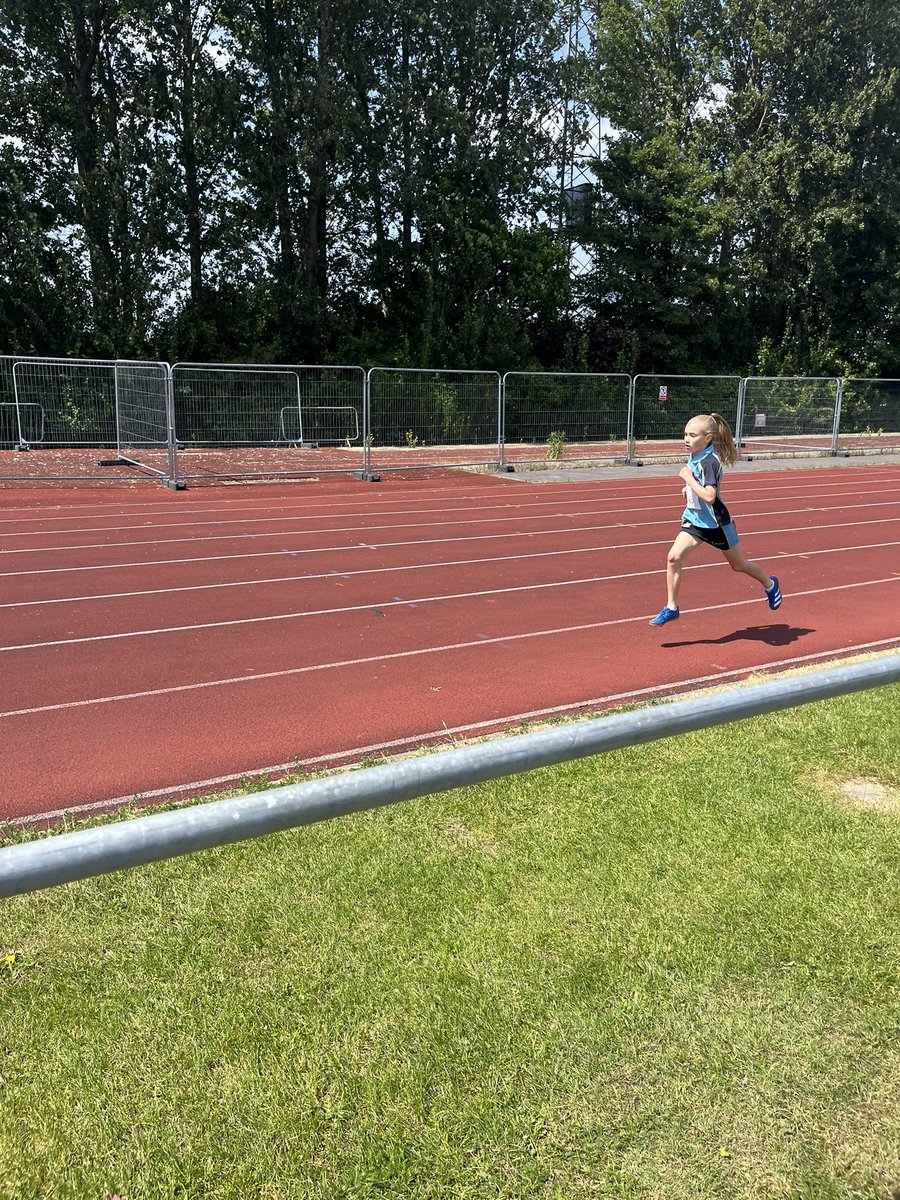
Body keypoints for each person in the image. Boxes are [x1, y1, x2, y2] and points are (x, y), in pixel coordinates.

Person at [649, 412, 782, 626]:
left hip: (717, 524)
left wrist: (689, 480)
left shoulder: (709, 461)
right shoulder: (695, 455)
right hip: (695, 521)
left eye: (692, 435)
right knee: (673, 557)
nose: (686, 439)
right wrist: (689, 489)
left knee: (738, 565)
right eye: (685, 434)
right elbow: (701, 487)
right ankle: (671, 607)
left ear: (708, 438)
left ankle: (769, 584)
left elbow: (710, 497)